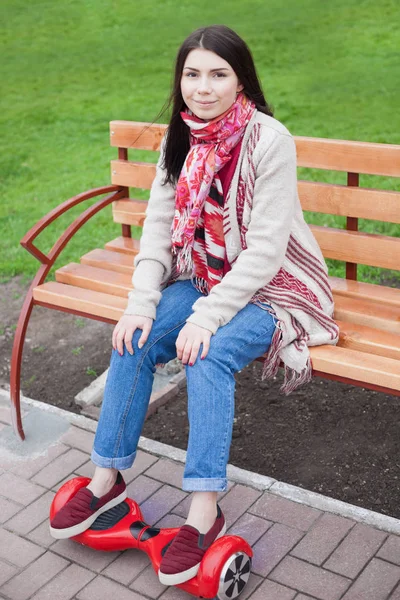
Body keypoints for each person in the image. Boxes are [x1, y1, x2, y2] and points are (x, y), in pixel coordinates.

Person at [49, 24, 339, 585]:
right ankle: (107, 478)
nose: (203, 88)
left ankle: (204, 511)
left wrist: (206, 318)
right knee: (133, 336)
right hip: (205, 274)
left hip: (275, 287)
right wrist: (140, 304)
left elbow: (264, 252)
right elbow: (159, 227)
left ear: (241, 79)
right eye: (192, 74)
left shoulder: (269, 139)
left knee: (209, 354)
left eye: (218, 74)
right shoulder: (180, 136)